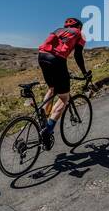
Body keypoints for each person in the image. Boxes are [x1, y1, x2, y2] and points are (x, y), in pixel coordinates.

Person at [37, 18, 91, 149]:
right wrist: (85, 73)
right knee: (64, 97)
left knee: (52, 88)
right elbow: (78, 55)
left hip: (42, 56)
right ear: (79, 26)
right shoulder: (79, 33)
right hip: (57, 60)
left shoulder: (59, 30)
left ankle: (42, 118)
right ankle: (47, 130)